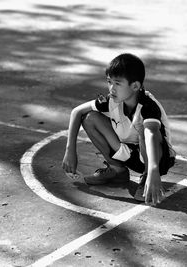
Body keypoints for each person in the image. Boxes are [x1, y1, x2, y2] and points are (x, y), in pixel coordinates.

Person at [62, 53, 175, 205]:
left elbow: (152, 134)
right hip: (130, 152)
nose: (111, 88)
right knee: (90, 118)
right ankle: (117, 170)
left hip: (159, 159)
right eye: (109, 82)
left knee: (144, 129)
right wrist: (70, 151)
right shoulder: (111, 100)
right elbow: (77, 111)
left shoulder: (148, 106)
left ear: (135, 86)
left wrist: (154, 170)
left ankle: (147, 176)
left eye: (117, 83)